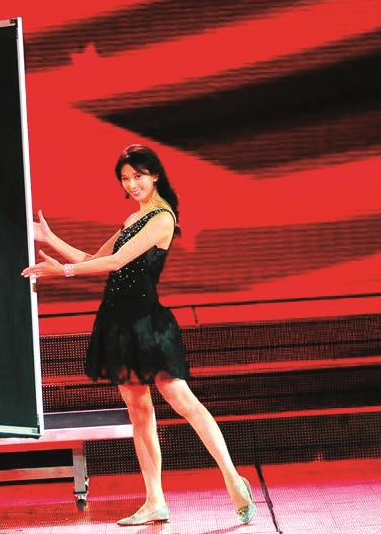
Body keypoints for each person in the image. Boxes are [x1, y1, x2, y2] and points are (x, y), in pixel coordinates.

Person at [21, 144, 255, 526]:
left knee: (183, 401)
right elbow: (94, 259)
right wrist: (50, 240)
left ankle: (232, 477)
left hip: (147, 325)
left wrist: (60, 272)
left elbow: (115, 262)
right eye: (125, 179)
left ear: (155, 175)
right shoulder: (133, 218)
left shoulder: (162, 218)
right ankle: (154, 499)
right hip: (118, 325)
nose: (132, 184)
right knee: (139, 411)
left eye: (138, 176)